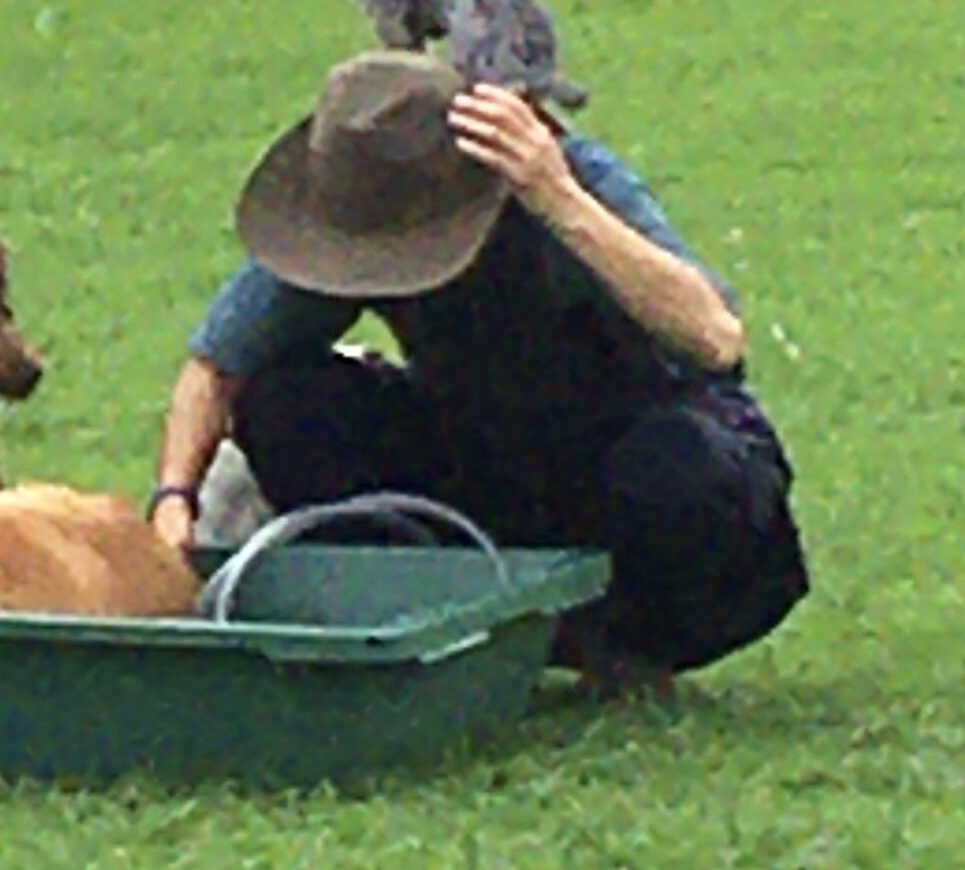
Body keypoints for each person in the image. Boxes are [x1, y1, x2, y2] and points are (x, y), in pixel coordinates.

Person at [150, 50, 809, 697]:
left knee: (678, 464)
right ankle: (433, 632)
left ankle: (623, 648)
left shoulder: (572, 176)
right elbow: (216, 367)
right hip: (483, 447)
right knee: (289, 401)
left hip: (639, 442)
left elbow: (714, 337)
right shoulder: (349, 212)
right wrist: (174, 500)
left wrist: (557, 198)